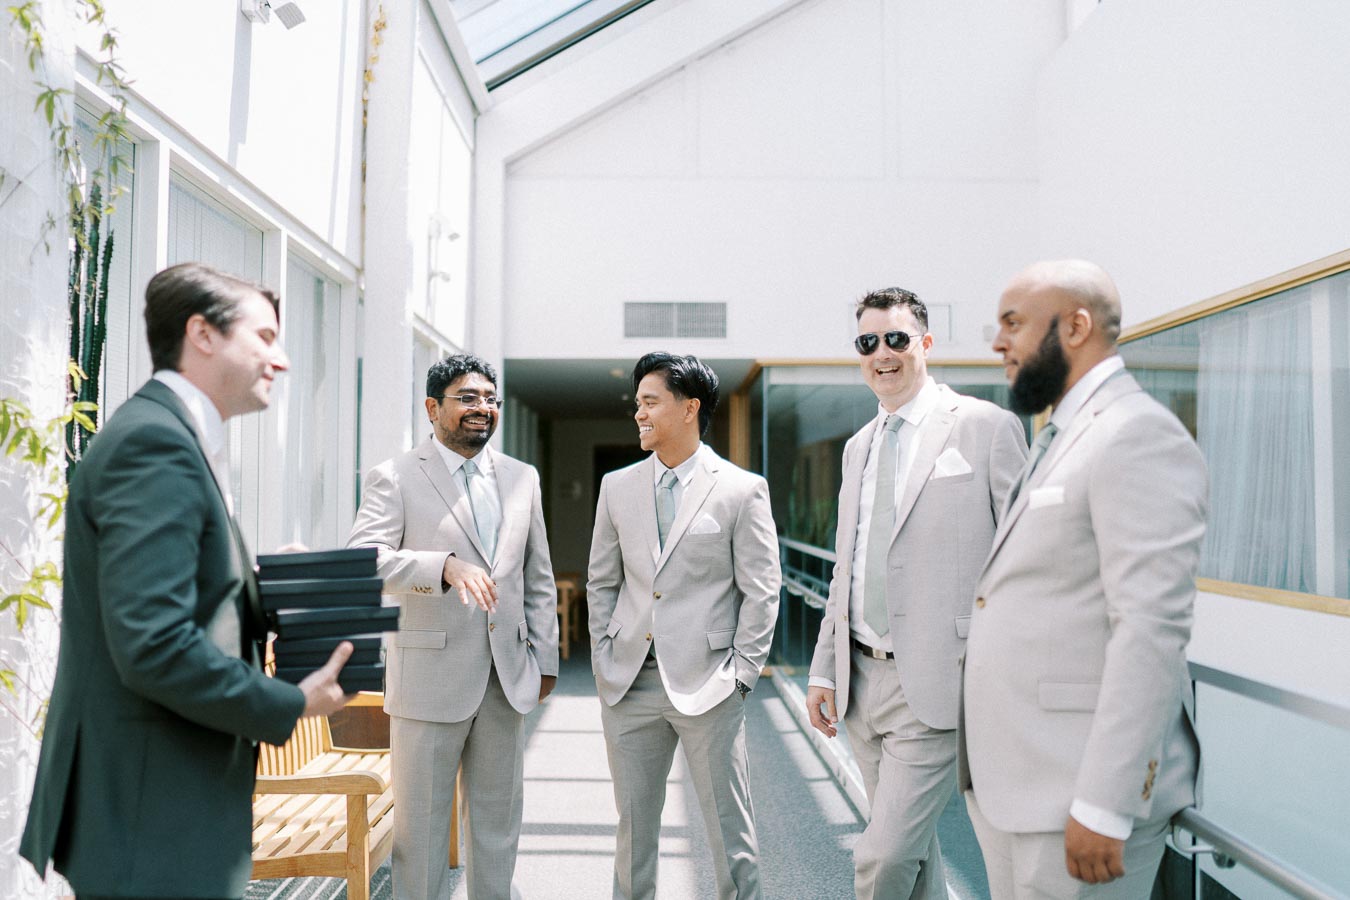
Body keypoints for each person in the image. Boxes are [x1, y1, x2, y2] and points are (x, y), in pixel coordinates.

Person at [19, 262, 352, 899]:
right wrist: (291, 702)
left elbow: (174, 594)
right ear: (201, 334)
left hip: (164, 803)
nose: (279, 361)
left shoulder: (173, 435)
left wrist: (259, 582)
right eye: (264, 337)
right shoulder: (156, 445)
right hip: (153, 811)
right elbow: (153, 643)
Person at [959, 259, 1207, 898]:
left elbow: (1150, 630)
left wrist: (1104, 803)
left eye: (1013, 323)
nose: (997, 342)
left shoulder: (1137, 434)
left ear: (1076, 325)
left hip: (1078, 795)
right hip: (1017, 787)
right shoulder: (1062, 435)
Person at [803, 287, 1027, 899]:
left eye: (897, 338)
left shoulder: (985, 428)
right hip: (859, 682)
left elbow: (1025, 559)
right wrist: (825, 668)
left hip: (937, 682)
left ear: (925, 343)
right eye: (868, 342)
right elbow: (844, 569)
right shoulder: (857, 448)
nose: (883, 353)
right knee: (916, 855)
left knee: (880, 858)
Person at [347, 353, 557, 900]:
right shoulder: (394, 476)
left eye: (490, 399)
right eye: (468, 398)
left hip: (506, 679)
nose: (482, 409)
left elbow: (538, 575)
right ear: (432, 408)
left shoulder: (521, 478)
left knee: (498, 828)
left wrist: (547, 661)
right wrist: (439, 566)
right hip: (427, 678)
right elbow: (361, 557)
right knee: (420, 836)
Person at [587, 352, 780, 900]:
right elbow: (603, 582)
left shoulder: (741, 489)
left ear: (690, 407)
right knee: (633, 832)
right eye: (637, 404)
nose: (639, 414)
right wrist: (605, 654)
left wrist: (742, 674)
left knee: (729, 831)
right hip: (629, 683)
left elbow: (762, 589)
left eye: (650, 402)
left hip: (711, 682)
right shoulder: (616, 487)